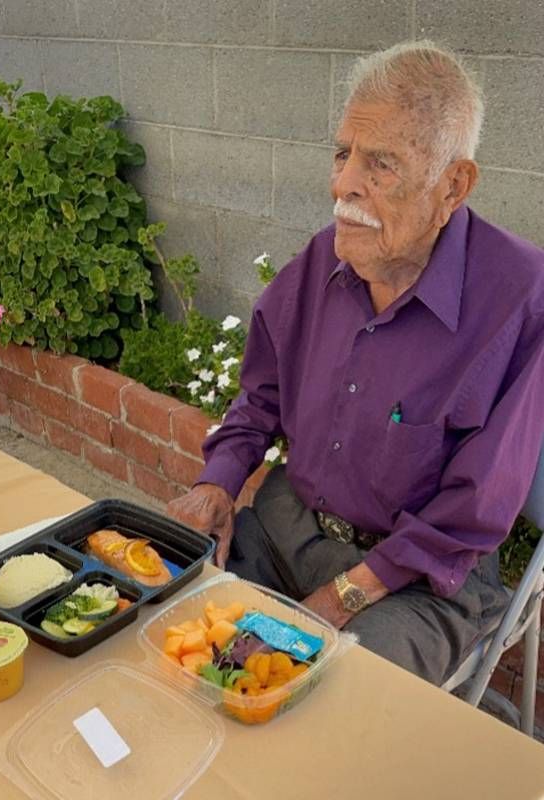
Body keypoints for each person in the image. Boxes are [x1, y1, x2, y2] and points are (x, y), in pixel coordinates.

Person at [167, 41, 544, 685]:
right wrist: (218, 484)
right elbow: (261, 395)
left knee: (329, 698)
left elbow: (470, 512)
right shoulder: (324, 259)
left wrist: (326, 611)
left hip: (418, 584)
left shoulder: (519, 297)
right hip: (290, 531)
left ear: (453, 184)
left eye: (381, 164)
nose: (344, 184)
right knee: (170, 614)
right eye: (344, 155)